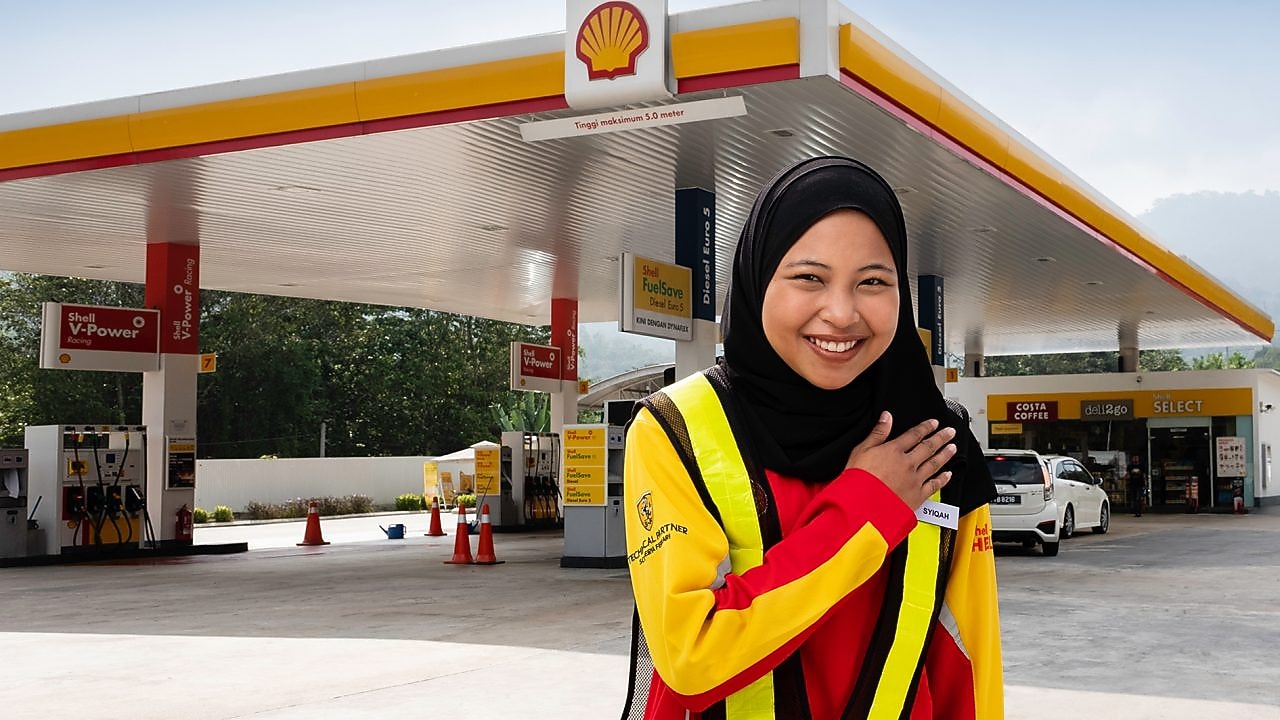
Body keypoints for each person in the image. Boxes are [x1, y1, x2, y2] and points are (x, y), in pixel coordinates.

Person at [620, 156, 1002, 720]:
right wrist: (866, 510)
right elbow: (689, 657)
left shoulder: (934, 440)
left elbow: (967, 665)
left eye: (873, 282)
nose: (842, 313)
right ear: (758, 279)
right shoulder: (677, 429)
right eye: (808, 278)